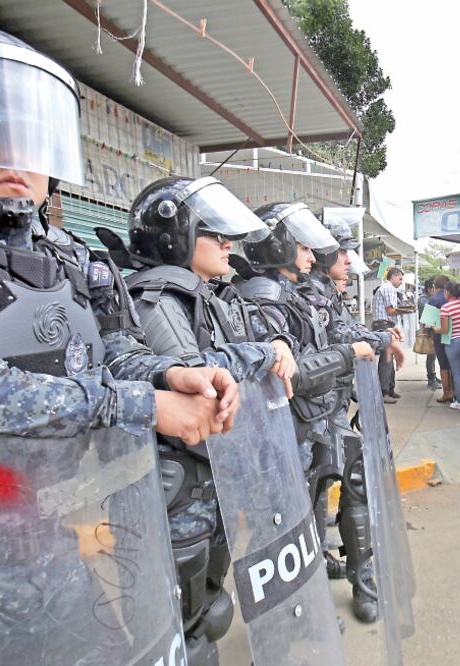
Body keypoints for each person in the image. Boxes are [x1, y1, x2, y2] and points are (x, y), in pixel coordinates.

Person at [0, 24, 238, 662]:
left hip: (59, 546)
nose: (15, 161)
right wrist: (135, 405)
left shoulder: (72, 261)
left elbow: (118, 349)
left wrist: (168, 377)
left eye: (29, 138)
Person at [115, 176, 299, 661]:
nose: (227, 242)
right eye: (211, 233)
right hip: (176, 487)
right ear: (172, 236)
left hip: (216, 475)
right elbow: (200, 380)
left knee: (212, 610)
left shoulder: (210, 296)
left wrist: (272, 348)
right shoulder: (156, 297)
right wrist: (263, 352)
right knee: (180, 625)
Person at [237, 202, 378, 621]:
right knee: (295, 517)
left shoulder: (287, 293)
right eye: (302, 246)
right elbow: (293, 373)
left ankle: (352, 583)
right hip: (293, 422)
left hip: (316, 413)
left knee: (335, 491)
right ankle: (305, 612)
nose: (312, 256)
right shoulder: (264, 297)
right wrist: (348, 353)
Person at [301, 215, 404, 621]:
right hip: (312, 410)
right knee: (311, 494)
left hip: (336, 404)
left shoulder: (328, 290)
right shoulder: (305, 292)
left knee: (354, 484)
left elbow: (347, 327)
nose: (347, 260)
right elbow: (334, 339)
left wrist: (378, 335)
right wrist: (379, 340)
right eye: (341, 251)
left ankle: (363, 581)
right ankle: (316, 572)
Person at [373, 266, 405, 403]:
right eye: (400, 278)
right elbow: (391, 311)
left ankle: (389, 389)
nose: (401, 282)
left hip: (382, 325)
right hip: (385, 325)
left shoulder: (384, 288)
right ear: (393, 277)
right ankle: (384, 391)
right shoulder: (390, 288)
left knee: (389, 357)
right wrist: (405, 311)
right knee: (386, 358)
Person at [438, 281, 460, 411]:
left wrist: (435, 328)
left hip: (453, 343)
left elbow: (444, 330)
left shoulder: (446, 308)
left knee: (457, 373)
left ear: (448, 293)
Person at [429, 275, 454, 402]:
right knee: (453, 364)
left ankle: (447, 392)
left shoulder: (432, 300)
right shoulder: (452, 298)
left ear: (434, 286)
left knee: (443, 364)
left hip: (439, 335)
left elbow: (428, 322)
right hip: (454, 334)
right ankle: (456, 391)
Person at [419, 277, 441, 389]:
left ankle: (433, 375)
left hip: (433, 328)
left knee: (433, 355)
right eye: (434, 287)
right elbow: (429, 314)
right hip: (428, 330)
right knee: (431, 354)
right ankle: (431, 378)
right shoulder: (423, 299)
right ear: (429, 289)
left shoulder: (429, 298)